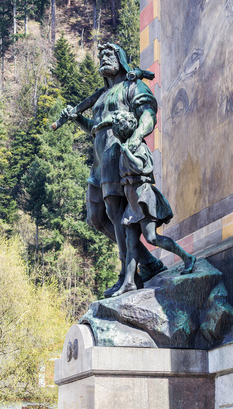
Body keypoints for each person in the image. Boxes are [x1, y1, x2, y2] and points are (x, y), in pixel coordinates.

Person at [60, 43, 165, 296]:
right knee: (97, 218)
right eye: (100, 56)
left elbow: (148, 114)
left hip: (118, 155)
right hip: (98, 161)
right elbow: (95, 128)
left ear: (121, 58)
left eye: (109, 55)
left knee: (117, 215)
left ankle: (127, 275)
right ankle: (148, 263)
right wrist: (77, 118)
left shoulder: (132, 86)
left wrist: (137, 136)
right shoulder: (102, 95)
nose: (103, 59)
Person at [110, 110, 196, 297]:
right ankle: (129, 282)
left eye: (117, 126)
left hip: (144, 196)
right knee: (130, 242)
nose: (115, 130)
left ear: (125, 127)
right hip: (132, 198)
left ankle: (187, 257)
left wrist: (126, 153)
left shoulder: (139, 146)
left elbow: (143, 167)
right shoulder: (125, 145)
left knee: (151, 238)